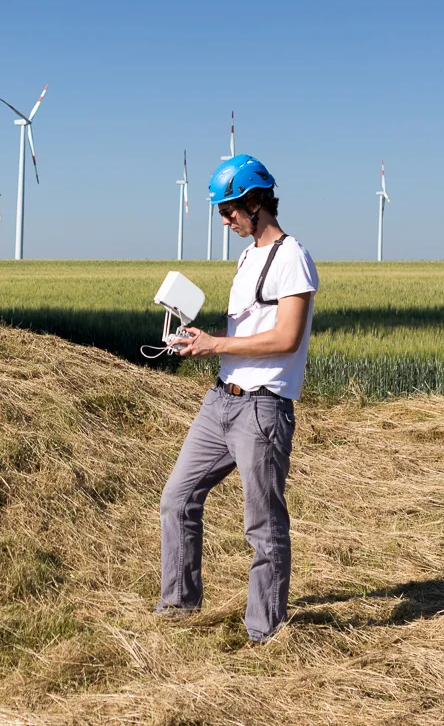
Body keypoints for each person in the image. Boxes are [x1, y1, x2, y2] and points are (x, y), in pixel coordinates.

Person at [157, 153, 318, 643]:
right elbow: (249, 325)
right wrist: (202, 337)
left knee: (262, 524)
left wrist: (215, 345)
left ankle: (264, 633)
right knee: (177, 499)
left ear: (255, 202)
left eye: (228, 210)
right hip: (221, 401)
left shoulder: (292, 258)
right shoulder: (248, 256)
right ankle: (178, 608)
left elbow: (286, 338)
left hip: (262, 408)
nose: (224, 220)